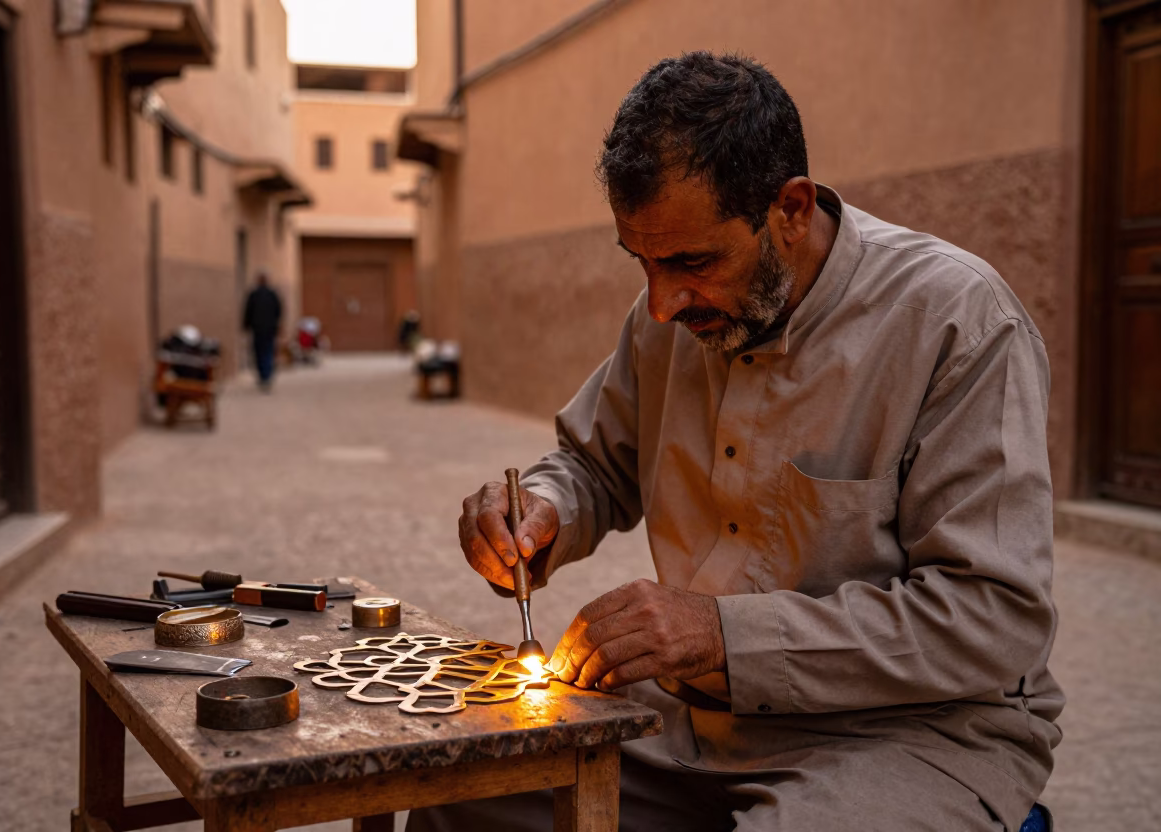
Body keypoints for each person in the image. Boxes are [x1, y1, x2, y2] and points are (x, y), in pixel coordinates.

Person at [414, 53, 1061, 832]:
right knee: (460, 790)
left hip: (912, 732)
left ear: (790, 209)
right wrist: (541, 507)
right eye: (643, 263)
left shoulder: (958, 322)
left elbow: (992, 616)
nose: (660, 305)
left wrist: (719, 636)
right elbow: (593, 463)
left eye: (692, 262)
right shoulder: (673, 318)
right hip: (693, 723)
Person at [242, 272, 282, 390]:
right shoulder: (272, 295)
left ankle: (264, 375)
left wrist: (246, 325)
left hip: (258, 329)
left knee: (260, 352)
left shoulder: (254, 295)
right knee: (266, 351)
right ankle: (266, 375)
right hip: (268, 329)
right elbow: (278, 312)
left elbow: (248, 312)